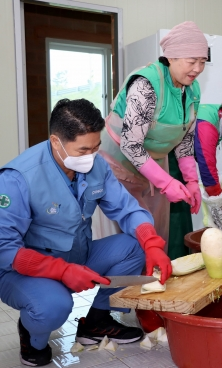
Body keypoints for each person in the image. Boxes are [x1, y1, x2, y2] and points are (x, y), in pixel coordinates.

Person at [0, 99, 172, 367]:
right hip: (26, 271)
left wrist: (152, 243)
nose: (90, 156)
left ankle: (97, 322)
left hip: (78, 255)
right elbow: (5, 251)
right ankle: (32, 337)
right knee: (53, 306)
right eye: (83, 150)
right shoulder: (17, 178)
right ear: (56, 142)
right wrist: (62, 272)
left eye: (96, 147)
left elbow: (127, 210)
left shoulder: (96, 165)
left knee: (135, 245)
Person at [93, 21, 207, 258]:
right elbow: (131, 145)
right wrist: (167, 183)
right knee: (130, 243)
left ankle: (153, 288)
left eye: (203, 61)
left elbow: (184, 139)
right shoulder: (146, 85)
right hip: (117, 169)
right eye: (192, 60)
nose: (197, 68)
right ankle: (123, 294)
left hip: (152, 168)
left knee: (156, 238)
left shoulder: (192, 90)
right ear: (172, 57)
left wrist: (191, 181)